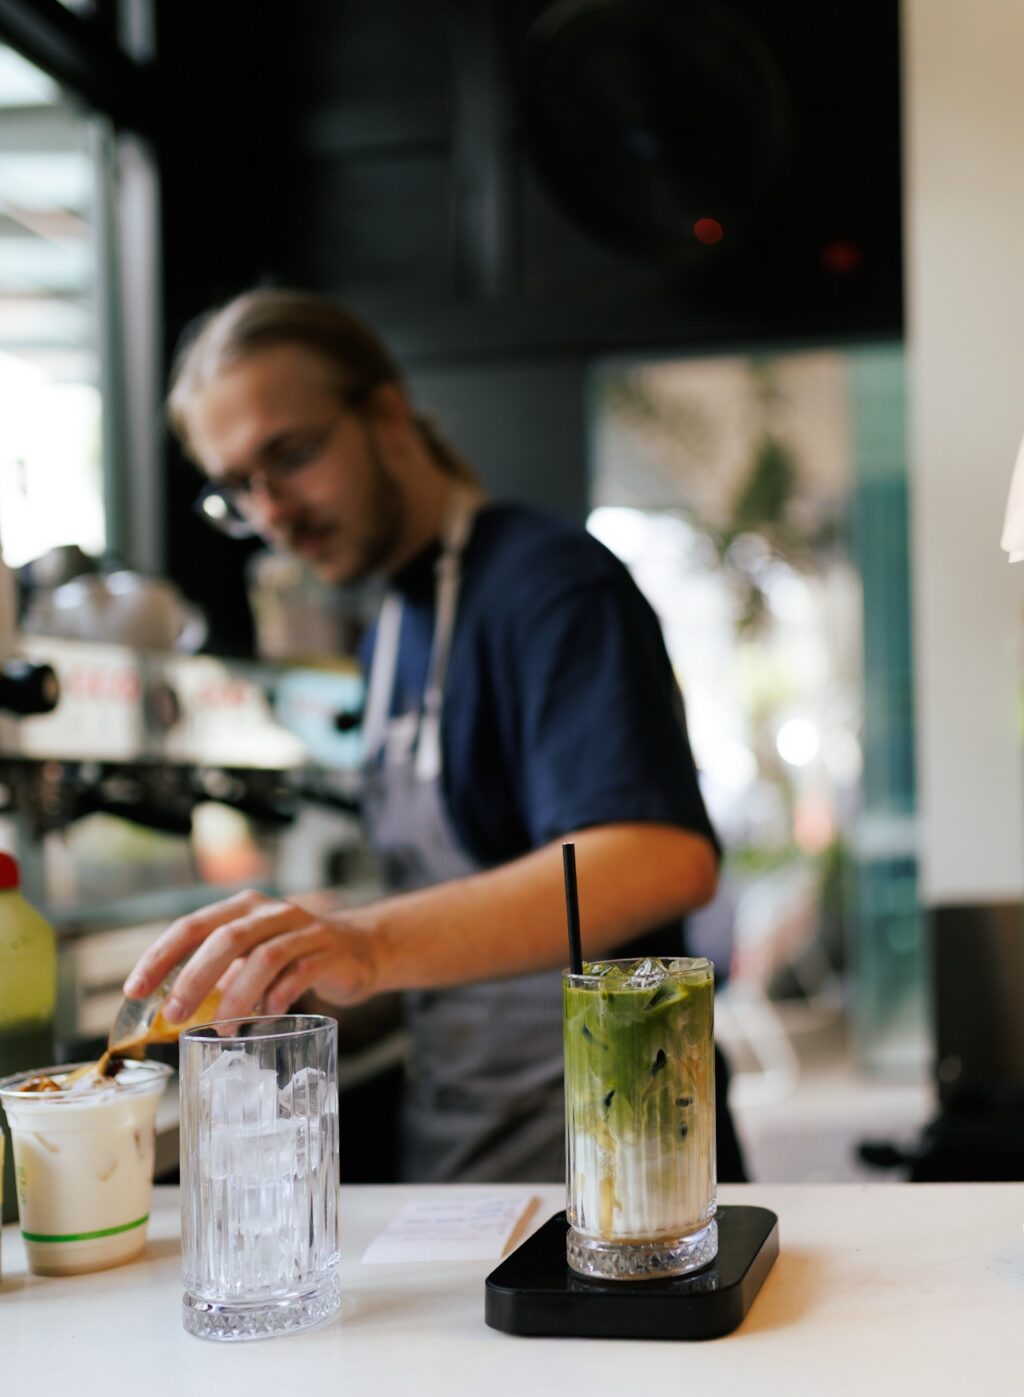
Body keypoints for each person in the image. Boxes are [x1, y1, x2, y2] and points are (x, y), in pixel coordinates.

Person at [125, 288, 748, 1183]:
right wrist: (289, 975)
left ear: (386, 415)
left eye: (290, 455)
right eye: (238, 489)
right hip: (463, 1149)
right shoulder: (390, 628)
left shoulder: (549, 585)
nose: (272, 513)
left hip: (618, 1167)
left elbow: (661, 860)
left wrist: (368, 943)